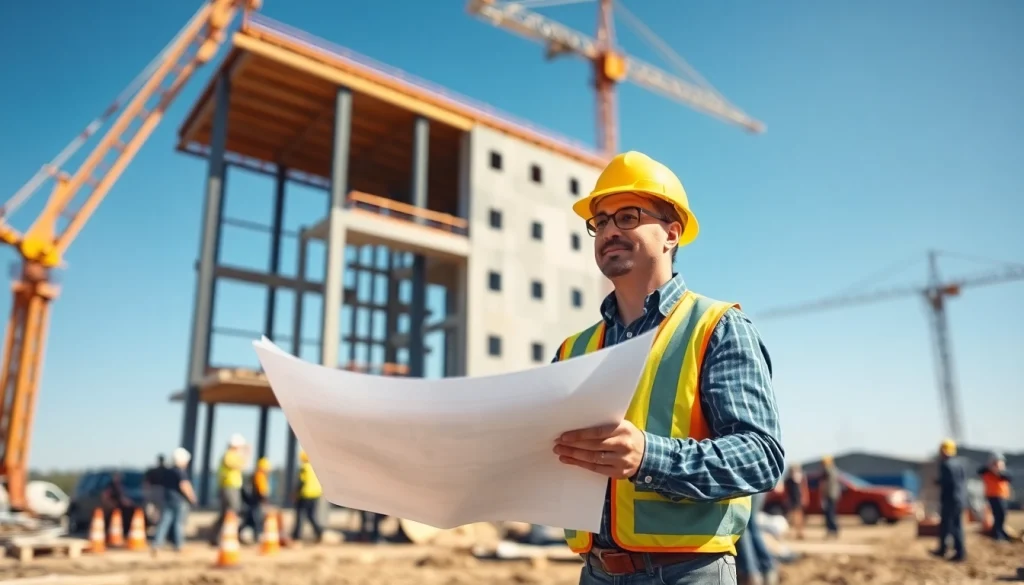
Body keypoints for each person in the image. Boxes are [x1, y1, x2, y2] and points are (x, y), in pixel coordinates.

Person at [549, 151, 785, 585]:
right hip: (595, 572)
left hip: (688, 573)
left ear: (671, 234)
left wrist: (648, 457)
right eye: (600, 222)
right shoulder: (573, 350)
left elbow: (760, 456)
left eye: (627, 216)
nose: (609, 231)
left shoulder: (716, 327)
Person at [151, 447, 198, 555]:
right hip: (179, 501)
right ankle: (179, 545)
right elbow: (184, 485)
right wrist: (193, 498)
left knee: (164, 522)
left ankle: (157, 544)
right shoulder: (180, 472)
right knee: (178, 523)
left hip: (167, 500)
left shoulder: (168, 471)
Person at [209, 433, 248, 546]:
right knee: (233, 511)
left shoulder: (231, 455)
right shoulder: (229, 455)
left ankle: (218, 536)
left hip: (231, 486)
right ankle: (230, 535)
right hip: (229, 487)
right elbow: (241, 465)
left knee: (227, 513)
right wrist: (246, 454)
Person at [931, 438, 967, 562]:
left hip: (950, 500)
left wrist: (937, 481)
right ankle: (944, 549)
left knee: (952, 526)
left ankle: (959, 553)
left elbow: (948, 482)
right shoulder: (959, 464)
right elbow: (961, 481)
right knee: (949, 526)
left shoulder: (946, 465)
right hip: (959, 499)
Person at [735, 492, 778, 585]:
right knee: (752, 527)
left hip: (742, 489)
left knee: (742, 528)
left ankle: (750, 573)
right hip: (756, 488)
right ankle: (767, 567)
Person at [978, 453, 1012, 542]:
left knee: (1002, 515)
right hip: (993, 495)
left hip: (1002, 495)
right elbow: (980, 471)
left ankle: (999, 531)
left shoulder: (1003, 472)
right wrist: (991, 468)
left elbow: (1008, 477)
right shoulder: (986, 471)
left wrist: (998, 471)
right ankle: (997, 534)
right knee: (998, 515)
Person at [292, 449, 324, 543]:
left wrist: (295, 493)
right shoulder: (315, 467)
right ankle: (318, 531)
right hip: (315, 494)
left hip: (305, 494)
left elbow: (301, 482)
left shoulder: (304, 468)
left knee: (300, 515)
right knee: (311, 515)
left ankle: (296, 536)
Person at [242, 457, 272, 543]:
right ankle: (257, 536)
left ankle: (248, 535)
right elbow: (262, 490)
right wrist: (265, 500)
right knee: (256, 519)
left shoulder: (255, 475)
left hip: (252, 501)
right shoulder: (260, 476)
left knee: (251, 519)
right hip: (255, 501)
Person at [783, 464, 808, 540]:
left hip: (797, 500)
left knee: (799, 517)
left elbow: (803, 489)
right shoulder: (788, 480)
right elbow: (786, 491)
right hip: (792, 500)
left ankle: (800, 533)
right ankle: (791, 533)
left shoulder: (799, 478)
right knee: (791, 517)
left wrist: (804, 497)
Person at [820, 455, 841, 539]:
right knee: (831, 513)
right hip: (833, 495)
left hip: (829, 495)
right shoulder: (835, 470)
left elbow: (825, 485)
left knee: (829, 514)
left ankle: (832, 530)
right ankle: (832, 531)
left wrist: (823, 496)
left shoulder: (827, 471)